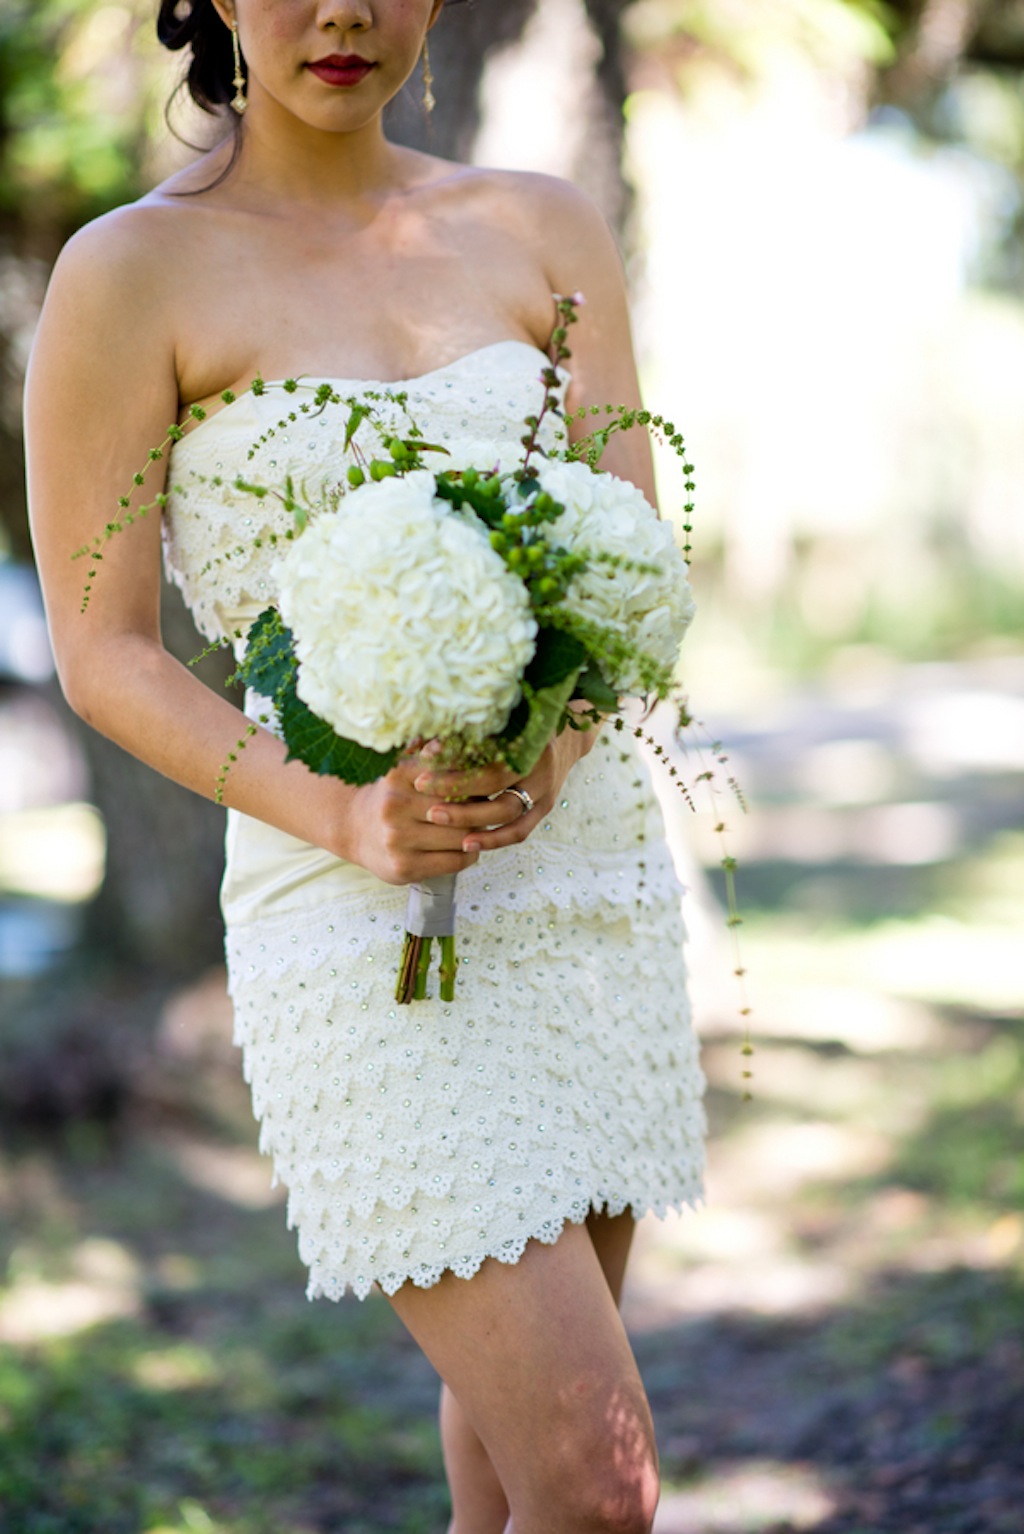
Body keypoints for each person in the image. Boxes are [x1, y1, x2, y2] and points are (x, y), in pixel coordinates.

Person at [25, 3, 706, 1530]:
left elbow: (623, 555)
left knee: (515, 1490)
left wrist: (553, 748)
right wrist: (342, 806)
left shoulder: (540, 227)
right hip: (348, 910)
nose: (344, 10)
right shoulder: (126, 272)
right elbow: (103, 649)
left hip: (583, 884)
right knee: (600, 1491)